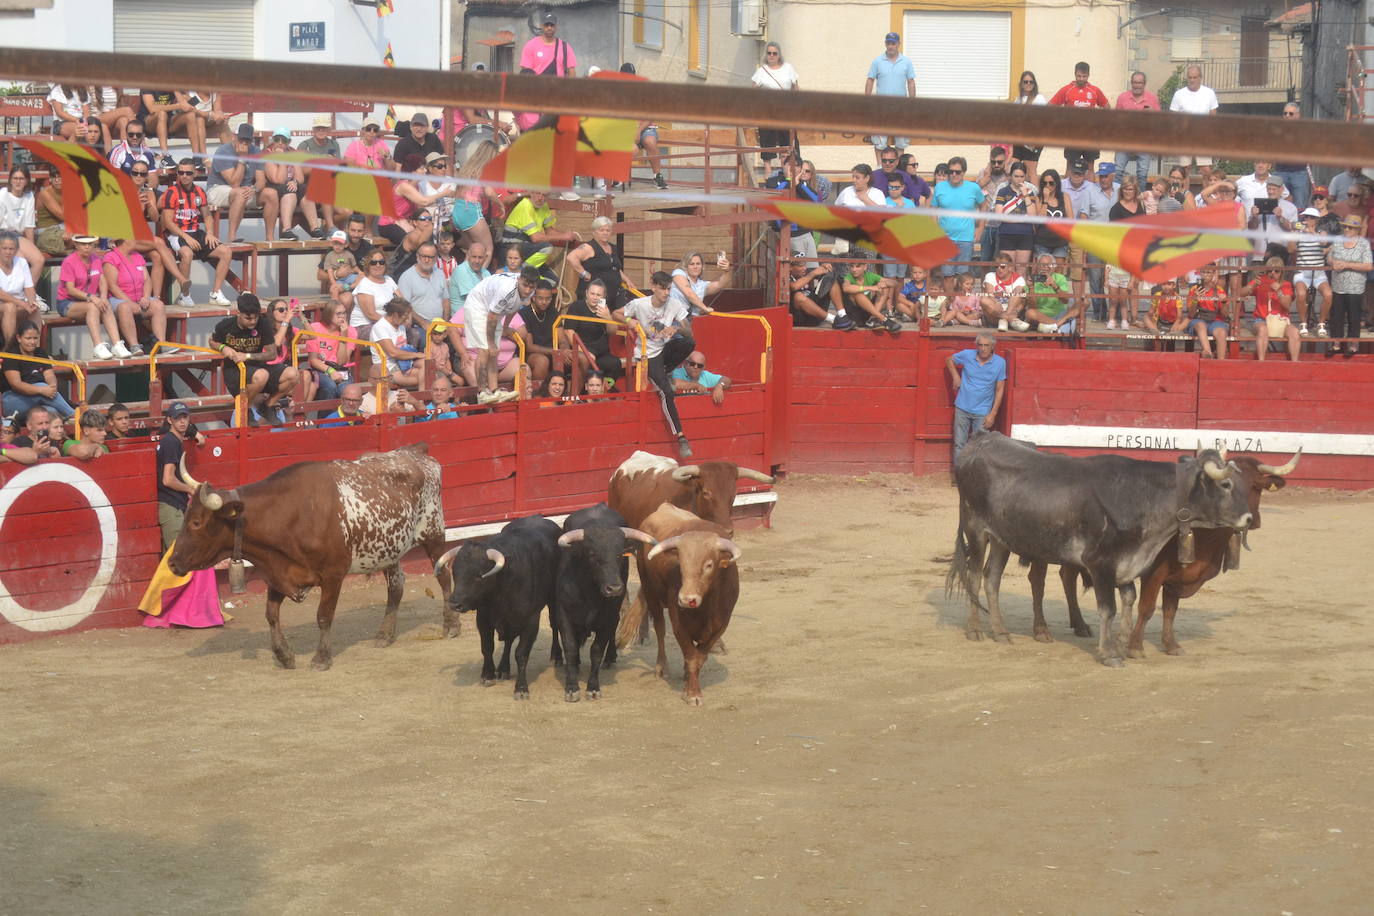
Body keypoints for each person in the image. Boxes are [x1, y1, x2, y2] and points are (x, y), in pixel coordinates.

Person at [615, 270, 696, 458]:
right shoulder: (640, 304)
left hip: (663, 350)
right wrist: (630, 321)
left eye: (668, 289)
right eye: (663, 289)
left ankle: (665, 371)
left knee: (688, 343)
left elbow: (689, 332)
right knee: (667, 391)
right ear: (653, 287)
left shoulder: (674, 304)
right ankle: (681, 437)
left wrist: (675, 326)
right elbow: (616, 314)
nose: (666, 293)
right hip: (646, 355)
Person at [211, 292, 298, 425]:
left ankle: (268, 406)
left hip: (258, 366)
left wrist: (247, 356)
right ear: (238, 313)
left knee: (293, 374)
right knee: (261, 375)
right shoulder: (225, 326)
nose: (253, 322)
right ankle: (246, 409)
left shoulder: (263, 324)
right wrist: (223, 348)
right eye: (248, 318)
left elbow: (272, 354)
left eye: (255, 318)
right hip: (235, 371)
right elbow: (212, 341)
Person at [160, 158, 234, 306]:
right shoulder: (171, 193)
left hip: (195, 232)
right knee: (187, 254)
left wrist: (210, 232)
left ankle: (215, 293)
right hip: (177, 234)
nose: (184, 176)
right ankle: (184, 295)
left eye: (188, 173)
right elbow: (167, 222)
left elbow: (207, 215)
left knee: (226, 252)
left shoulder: (199, 192)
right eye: (181, 172)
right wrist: (187, 237)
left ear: (195, 173)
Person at [464, 266, 539, 404]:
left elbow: (514, 307)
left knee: (494, 352)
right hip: (477, 305)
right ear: (519, 279)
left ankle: (494, 391)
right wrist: (492, 343)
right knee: (485, 349)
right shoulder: (507, 291)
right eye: (525, 286)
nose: (527, 290)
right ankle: (481, 393)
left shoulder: (528, 291)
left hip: (491, 308)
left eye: (531, 287)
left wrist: (505, 328)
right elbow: (492, 316)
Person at [103, 235, 175, 357]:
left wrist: (146, 296)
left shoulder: (137, 256)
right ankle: (134, 345)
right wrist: (129, 301)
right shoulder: (110, 257)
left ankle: (161, 344)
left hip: (139, 299)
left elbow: (147, 280)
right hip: (118, 299)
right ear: (125, 240)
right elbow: (112, 286)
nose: (137, 240)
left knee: (158, 305)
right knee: (125, 307)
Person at [57, 236, 125, 360]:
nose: (87, 247)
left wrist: (103, 297)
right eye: (83, 244)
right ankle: (98, 346)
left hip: (90, 299)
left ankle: (117, 344)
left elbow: (102, 280)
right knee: (93, 307)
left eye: (90, 244)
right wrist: (92, 297)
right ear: (76, 245)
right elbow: (70, 289)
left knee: (105, 304)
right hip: (68, 302)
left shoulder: (96, 259)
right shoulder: (69, 261)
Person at [209, 123, 279, 244]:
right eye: (242, 139)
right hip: (217, 189)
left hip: (244, 190)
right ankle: (232, 237)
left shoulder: (256, 151)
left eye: (247, 140)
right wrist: (242, 158)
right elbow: (234, 183)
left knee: (271, 194)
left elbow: (261, 180)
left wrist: (254, 189)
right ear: (234, 137)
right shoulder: (223, 151)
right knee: (240, 193)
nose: (244, 143)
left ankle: (270, 238)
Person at [946, 333, 1006, 462]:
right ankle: (960, 477)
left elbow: (1000, 389)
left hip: (983, 411)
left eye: (986, 345)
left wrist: (993, 414)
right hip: (962, 407)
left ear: (992, 347)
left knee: (980, 446)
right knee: (959, 444)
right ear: (976, 346)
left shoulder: (1000, 363)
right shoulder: (968, 354)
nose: (983, 348)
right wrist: (956, 376)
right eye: (980, 345)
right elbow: (949, 359)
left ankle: (975, 477)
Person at [1063, 158, 1109, 321]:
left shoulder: (1092, 188)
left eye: (1081, 173)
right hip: (1062, 234)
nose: (1077, 176)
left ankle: (1081, 308)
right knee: (1061, 273)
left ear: (1086, 174)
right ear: (1069, 171)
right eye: (1075, 172)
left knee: (1079, 273)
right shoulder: (1061, 185)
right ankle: (1064, 308)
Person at [931, 156, 986, 287]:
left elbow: (984, 205)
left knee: (963, 277)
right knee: (947, 275)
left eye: (958, 172)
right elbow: (933, 210)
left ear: (964, 172)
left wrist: (981, 227)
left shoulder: (973, 188)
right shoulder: (940, 187)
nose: (954, 174)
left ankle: (961, 306)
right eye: (951, 171)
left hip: (966, 238)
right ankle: (950, 305)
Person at [2, 321, 75, 419]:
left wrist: (52, 386)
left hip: (37, 399)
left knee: (51, 412)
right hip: (13, 400)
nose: (32, 342)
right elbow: (16, 385)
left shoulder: (40, 352)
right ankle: (73, 414)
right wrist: (41, 390)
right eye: (28, 338)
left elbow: (49, 375)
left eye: (35, 338)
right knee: (41, 385)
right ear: (19, 338)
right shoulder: (11, 355)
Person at [864, 32, 916, 167]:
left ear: (898, 44)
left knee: (901, 141)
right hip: (881, 107)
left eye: (893, 43)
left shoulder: (906, 62)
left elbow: (911, 82)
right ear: (885, 44)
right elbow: (870, 80)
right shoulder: (877, 61)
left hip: (901, 108)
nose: (891, 46)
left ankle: (898, 169)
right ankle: (880, 167)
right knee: (880, 142)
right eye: (888, 43)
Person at [564, 278, 628, 383]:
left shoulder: (604, 309)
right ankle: (585, 392)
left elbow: (613, 332)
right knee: (587, 362)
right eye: (592, 294)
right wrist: (586, 353)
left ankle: (605, 389)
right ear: (586, 293)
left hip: (601, 353)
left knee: (615, 364)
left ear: (603, 297)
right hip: (582, 350)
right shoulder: (577, 307)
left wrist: (608, 318)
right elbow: (569, 332)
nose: (594, 297)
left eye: (598, 295)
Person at [1048, 62, 1108, 171]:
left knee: (1090, 168)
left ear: (1088, 75)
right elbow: (1049, 107)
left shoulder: (1094, 90)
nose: (1081, 79)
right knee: (1070, 167)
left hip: (1091, 136)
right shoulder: (1067, 90)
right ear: (1074, 74)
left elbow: (1107, 108)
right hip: (1072, 136)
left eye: (1084, 76)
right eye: (1078, 76)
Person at [501, 190, 580, 270]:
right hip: (511, 247)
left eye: (544, 195)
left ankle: (525, 272)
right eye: (538, 193)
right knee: (546, 248)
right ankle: (520, 272)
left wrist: (567, 235)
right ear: (531, 193)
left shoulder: (544, 206)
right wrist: (563, 236)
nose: (540, 198)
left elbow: (550, 231)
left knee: (552, 280)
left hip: (526, 246)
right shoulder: (525, 205)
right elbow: (536, 238)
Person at [1241, 257, 1300, 362]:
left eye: (1276, 271)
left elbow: (1286, 305)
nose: (1272, 273)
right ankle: (1261, 362)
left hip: (1281, 320)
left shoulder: (1286, 284)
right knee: (1263, 330)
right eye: (1269, 271)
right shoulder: (1260, 281)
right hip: (1261, 319)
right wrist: (1252, 286)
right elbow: (1240, 294)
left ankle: (1294, 364)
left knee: (1295, 332)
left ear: (1281, 272)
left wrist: (1279, 291)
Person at [452, 140, 502, 264]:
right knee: (487, 250)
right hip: (471, 211)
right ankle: (480, 281)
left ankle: (462, 277)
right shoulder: (485, 170)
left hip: (458, 211)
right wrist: (500, 203)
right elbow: (489, 192)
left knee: (472, 249)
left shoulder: (467, 167)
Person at [1329, 214, 1372, 355]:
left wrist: (1347, 264)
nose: (1346, 229)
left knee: (1354, 317)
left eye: (1350, 227)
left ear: (1357, 230)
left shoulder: (1363, 244)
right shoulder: (1337, 241)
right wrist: (1332, 262)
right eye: (1345, 226)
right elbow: (1329, 256)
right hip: (1338, 286)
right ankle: (1336, 345)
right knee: (1337, 317)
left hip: (1355, 287)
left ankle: (1353, 346)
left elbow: (1368, 266)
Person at [567, 216, 634, 308]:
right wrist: (584, 273)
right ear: (594, 232)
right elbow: (571, 257)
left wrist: (626, 279)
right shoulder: (589, 247)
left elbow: (614, 268)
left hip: (612, 295)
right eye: (602, 230)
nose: (605, 233)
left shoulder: (613, 248)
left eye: (608, 230)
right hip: (594, 297)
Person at [156, 401, 196, 549]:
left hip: (172, 505)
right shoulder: (171, 442)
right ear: (169, 420)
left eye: (185, 417)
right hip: (171, 506)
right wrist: (190, 489)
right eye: (178, 418)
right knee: (178, 554)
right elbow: (168, 479)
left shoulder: (172, 441)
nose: (182, 421)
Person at [1105, 176, 1144, 328]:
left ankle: (1133, 317)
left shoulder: (1139, 205)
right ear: (1122, 190)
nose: (1128, 191)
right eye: (1126, 189)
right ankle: (1116, 318)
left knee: (1134, 284)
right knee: (1118, 287)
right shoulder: (1116, 208)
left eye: (1131, 189)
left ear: (1135, 190)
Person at [751, 41, 800, 163]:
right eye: (769, 53)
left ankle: (789, 166)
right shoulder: (762, 70)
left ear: (779, 55)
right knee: (766, 136)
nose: (771, 56)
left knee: (789, 138)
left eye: (774, 53)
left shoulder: (788, 68)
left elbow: (795, 87)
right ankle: (768, 168)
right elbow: (752, 90)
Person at [305, 301, 358, 410]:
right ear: (329, 315)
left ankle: (344, 423)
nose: (342, 317)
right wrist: (331, 371)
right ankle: (325, 423)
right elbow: (313, 360)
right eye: (338, 314)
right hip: (321, 368)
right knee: (330, 386)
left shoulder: (350, 331)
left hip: (341, 369)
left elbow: (342, 362)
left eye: (344, 313)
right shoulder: (315, 328)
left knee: (347, 391)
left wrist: (343, 338)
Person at [516, 280, 570, 386]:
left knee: (579, 357)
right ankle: (538, 396)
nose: (544, 302)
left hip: (552, 352)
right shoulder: (524, 314)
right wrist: (556, 351)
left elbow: (562, 339)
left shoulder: (553, 312)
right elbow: (530, 347)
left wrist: (565, 349)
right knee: (542, 361)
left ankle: (572, 398)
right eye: (540, 298)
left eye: (548, 298)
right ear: (533, 297)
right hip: (530, 355)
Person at [1168, 65, 1219, 172]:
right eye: (1190, 77)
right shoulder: (1179, 94)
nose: (1192, 80)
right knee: (1185, 170)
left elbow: (1213, 117)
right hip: (1184, 136)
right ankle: (1185, 189)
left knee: (1206, 170)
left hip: (1203, 136)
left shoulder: (1209, 93)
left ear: (1200, 78)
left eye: (1195, 77)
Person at [1112, 72, 1159, 186]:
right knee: (1118, 172)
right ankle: (1116, 200)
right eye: (1134, 82)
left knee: (1142, 174)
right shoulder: (1122, 97)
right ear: (1131, 83)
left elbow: (1159, 121)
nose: (1137, 85)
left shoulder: (1152, 99)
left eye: (1140, 83)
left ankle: (1140, 201)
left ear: (1144, 84)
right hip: (1124, 141)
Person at [991, 161, 1038, 272]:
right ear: (1011, 176)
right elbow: (999, 215)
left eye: (1021, 176)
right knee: (1008, 270)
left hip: (1025, 234)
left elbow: (1032, 216)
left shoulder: (1030, 192)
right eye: (1016, 176)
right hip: (1007, 233)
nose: (1019, 179)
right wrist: (1022, 219)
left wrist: (1025, 194)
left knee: (1021, 270)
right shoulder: (1003, 191)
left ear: (1025, 176)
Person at [0, 166, 45, 285]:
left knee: (39, 260)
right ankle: (15, 296)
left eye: (21, 178)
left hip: (18, 235)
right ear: (10, 180)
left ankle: (28, 294)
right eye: (15, 178)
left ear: (26, 181)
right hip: (3, 233)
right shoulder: (3, 194)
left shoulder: (29, 195)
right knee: (19, 260)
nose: (18, 182)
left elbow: (29, 224)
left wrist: (32, 246)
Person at [1293, 207, 1333, 338]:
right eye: (1306, 217)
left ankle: (1321, 323)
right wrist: (1292, 235)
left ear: (1316, 220)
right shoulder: (1299, 233)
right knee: (1301, 294)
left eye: (1311, 217)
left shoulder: (1322, 232)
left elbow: (1324, 242)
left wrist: (1311, 232)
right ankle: (1303, 322)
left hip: (1318, 273)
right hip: (1302, 272)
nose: (1307, 220)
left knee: (1328, 295)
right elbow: (1290, 250)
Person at [369, 297, 424, 389]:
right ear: (395, 314)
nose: (406, 319)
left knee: (428, 366)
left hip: (403, 365)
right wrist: (416, 355)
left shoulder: (400, 326)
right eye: (405, 316)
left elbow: (403, 349)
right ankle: (423, 399)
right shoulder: (381, 327)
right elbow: (393, 352)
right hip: (388, 369)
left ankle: (423, 397)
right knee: (428, 377)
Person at [0, 230, 43, 346]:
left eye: (11, 249)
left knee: (35, 310)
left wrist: (31, 301)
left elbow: (29, 287)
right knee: (10, 307)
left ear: (16, 250)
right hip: (4, 304)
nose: (8, 252)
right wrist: (22, 304)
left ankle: (35, 349)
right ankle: (8, 349)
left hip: (18, 304)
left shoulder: (22, 262)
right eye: (4, 248)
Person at [138, 90, 203, 166]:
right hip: (148, 123)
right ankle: (166, 157)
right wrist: (178, 106)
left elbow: (188, 105)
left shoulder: (171, 84)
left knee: (190, 116)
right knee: (162, 114)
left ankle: (196, 157)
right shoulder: (148, 84)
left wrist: (177, 91)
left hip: (167, 121)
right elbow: (152, 109)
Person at [397, 241, 449, 330]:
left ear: (436, 258)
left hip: (439, 325)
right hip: (418, 326)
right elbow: (405, 307)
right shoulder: (407, 277)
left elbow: (445, 300)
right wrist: (424, 323)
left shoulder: (440, 273)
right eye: (423, 256)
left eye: (430, 257)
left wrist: (445, 322)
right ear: (417, 256)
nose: (426, 260)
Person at [788, 259, 852, 329]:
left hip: (816, 313)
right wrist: (813, 273)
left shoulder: (805, 272)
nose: (804, 268)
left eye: (805, 265)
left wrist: (824, 268)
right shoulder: (785, 276)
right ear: (790, 267)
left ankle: (842, 315)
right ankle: (834, 320)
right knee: (798, 296)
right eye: (800, 266)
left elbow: (820, 272)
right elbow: (794, 287)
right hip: (802, 317)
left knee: (830, 277)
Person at [840, 259, 901, 331]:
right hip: (855, 316)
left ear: (865, 267)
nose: (854, 269)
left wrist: (885, 283)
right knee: (857, 293)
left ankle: (873, 319)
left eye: (857, 266)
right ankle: (883, 319)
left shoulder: (870, 275)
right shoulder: (848, 277)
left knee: (885, 288)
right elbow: (846, 288)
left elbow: (894, 283)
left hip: (869, 313)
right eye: (852, 266)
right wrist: (871, 288)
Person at [1024, 252, 1078, 333]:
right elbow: (1032, 307)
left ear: (1053, 267)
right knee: (1030, 313)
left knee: (1084, 301)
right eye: (1042, 265)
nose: (1046, 268)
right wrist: (1031, 287)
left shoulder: (1060, 278)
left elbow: (1065, 300)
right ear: (1038, 267)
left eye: (1049, 265)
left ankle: (1056, 325)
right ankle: (1058, 325)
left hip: (1059, 314)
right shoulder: (1032, 280)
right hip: (1041, 317)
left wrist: (1054, 286)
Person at [669, 250, 733, 317]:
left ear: (702, 266)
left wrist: (727, 270)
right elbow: (688, 293)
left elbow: (720, 285)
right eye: (692, 264)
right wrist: (705, 308)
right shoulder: (678, 273)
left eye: (698, 264)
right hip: (675, 318)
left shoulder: (702, 284)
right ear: (686, 266)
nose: (695, 267)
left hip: (694, 320)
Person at [1010, 71, 1048, 181]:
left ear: (1034, 84)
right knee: (1013, 168)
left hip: (1033, 139)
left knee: (1031, 171)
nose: (1028, 84)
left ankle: (1036, 197)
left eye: (1031, 82)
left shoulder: (1039, 99)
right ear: (1021, 83)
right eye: (1025, 82)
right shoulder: (1018, 100)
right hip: (1019, 139)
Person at [1187, 265, 1229, 359]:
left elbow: (1225, 314)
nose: (1205, 275)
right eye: (1203, 272)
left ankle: (1220, 363)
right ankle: (1207, 352)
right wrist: (1195, 300)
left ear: (1213, 274)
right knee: (1201, 325)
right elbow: (1191, 314)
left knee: (1222, 332)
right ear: (1200, 273)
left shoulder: (1219, 290)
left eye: (1208, 272)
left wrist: (1224, 302)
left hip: (1215, 321)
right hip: (1198, 320)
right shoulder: (1194, 289)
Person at [351, 250, 398, 331]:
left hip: (388, 323)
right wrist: (393, 323)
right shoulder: (365, 284)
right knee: (385, 334)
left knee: (413, 333)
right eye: (373, 262)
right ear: (368, 265)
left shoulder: (389, 280)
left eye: (381, 262)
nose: (378, 265)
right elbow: (371, 315)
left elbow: (402, 303)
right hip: (365, 325)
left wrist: (405, 320)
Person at [980, 253, 1029, 331]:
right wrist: (996, 303)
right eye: (996, 266)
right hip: (996, 310)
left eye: (1002, 267)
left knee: (1019, 293)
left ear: (1010, 267)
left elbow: (1020, 298)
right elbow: (990, 294)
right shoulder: (990, 275)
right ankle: (1010, 320)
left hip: (1012, 309)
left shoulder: (1019, 279)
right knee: (984, 300)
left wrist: (1010, 312)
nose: (999, 269)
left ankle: (1005, 319)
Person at [521, 12, 578, 78]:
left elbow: (572, 73)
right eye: (546, 25)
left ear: (556, 27)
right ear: (541, 26)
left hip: (559, 87)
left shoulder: (565, 47)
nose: (549, 28)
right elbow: (525, 73)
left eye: (552, 25)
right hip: (537, 86)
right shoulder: (531, 45)